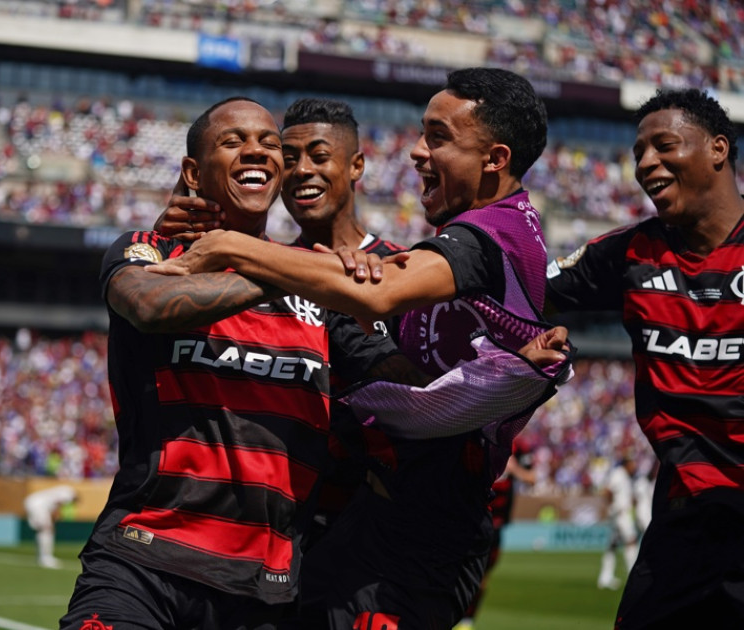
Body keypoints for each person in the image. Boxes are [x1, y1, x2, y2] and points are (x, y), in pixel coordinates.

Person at [149, 68, 572, 630]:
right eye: (288, 157)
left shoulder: (404, 270)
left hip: (404, 533)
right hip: (298, 537)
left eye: (318, 155)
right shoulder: (268, 276)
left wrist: (513, 376)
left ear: (356, 166)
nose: (302, 170)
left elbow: (402, 350)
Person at [60, 96, 407, 630]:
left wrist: (512, 365)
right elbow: (151, 306)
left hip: (263, 593)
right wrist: (292, 270)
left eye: (269, 143)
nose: (257, 151)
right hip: (142, 563)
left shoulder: (318, 289)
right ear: (192, 173)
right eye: (233, 141)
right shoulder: (150, 250)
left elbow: (403, 385)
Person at [545, 87, 744, 627]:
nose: (645, 163)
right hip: (686, 526)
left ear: (718, 148)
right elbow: (519, 290)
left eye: (664, 146)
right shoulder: (630, 253)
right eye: (638, 153)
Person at [454, 440, 536, 630]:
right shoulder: (477, 437)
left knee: (482, 578)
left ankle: (467, 621)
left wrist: (514, 469)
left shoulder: (520, 447)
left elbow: (532, 478)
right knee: (454, 572)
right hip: (468, 519)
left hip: (496, 525)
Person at [596, 454, 640, 591]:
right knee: (631, 540)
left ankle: (605, 577)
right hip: (620, 514)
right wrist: (612, 508)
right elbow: (607, 491)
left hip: (620, 513)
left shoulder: (626, 476)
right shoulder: (618, 474)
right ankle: (633, 576)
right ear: (626, 464)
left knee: (612, 545)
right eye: (632, 464)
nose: (634, 467)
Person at [24, 484, 78, 569]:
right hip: (37, 505)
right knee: (47, 530)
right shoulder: (69, 493)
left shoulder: (62, 491)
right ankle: (45, 559)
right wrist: (56, 515)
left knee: (43, 530)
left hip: (32, 503)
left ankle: (43, 557)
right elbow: (58, 503)